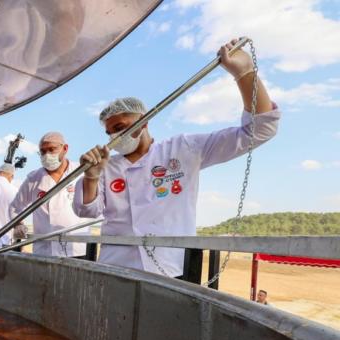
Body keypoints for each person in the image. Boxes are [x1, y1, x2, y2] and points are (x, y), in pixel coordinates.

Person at [73, 39, 280, 277]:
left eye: (120, 127)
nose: (115, 137)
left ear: (145, 121)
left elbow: (260, 131)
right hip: (114, 268)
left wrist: (245, 74)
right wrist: (90, 177)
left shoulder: (183, 149)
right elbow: (86, 211)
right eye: (110, 132)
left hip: (169, 269)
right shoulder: (106, 166)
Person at [10, 132, 87, 257]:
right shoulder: (33, 178)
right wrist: (18, 223)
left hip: (77, 249)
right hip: (45, 249)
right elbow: (15, 206)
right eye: (43, 151)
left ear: (65, 148)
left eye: (52, 149)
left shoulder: (81, 172)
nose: (47, 155)